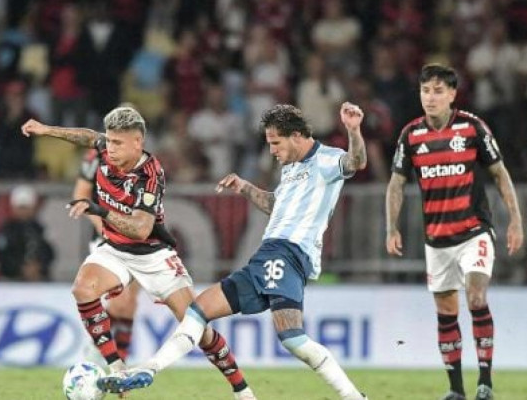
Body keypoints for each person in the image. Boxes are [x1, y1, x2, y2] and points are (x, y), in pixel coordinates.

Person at [98, 103, 369, 400]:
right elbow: (276, 206)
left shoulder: (327, 159)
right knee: (199, 309)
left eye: (276, 143)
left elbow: (355, 162)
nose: (272, 151)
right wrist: (244, 187)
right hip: (267, 254)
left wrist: (353, 131)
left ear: (296, 136)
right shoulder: (291, 169)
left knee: (292, 337)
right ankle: (149, 370)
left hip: (288, 253)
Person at [21, 106, 257, 400]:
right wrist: (47, 130)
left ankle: (241, 389)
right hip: (114, 250)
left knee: (198, 326)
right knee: (83, 288)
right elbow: (87, 137)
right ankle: (117, 367)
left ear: (138, 142)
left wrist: (98, 209)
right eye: (109, 141)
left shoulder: (151, 174)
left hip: (154, 256)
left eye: (118, 143)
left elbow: (141, 229)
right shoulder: (105, 149)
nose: (111, 148)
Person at [385, 64, 523, 400]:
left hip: (474, 230)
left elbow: (500, 174)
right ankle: (456, 390)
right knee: (447, 313)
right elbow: (395, 184)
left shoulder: (472, 127)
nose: (429, 98)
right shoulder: (411, 135)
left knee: (475, 298)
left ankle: (485, 382)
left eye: (436, 91)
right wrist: (392, 227)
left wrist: (516, 220)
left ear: (451, 94)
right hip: (437, 240)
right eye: (425, 91)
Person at [73, 148, 140, 362]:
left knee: (129, 304)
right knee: (121, 301)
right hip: (107, 239)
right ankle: (100, 351)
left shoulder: (143, 160)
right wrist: (103, 225)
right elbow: (80, 195)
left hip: (137, 239)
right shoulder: (95, 157)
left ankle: (121, 361)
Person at [0, 185, 56, 281]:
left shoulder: (41, 229)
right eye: (21, 207)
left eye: (26, 207)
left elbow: (50, 253)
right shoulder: (6, 230)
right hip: (11, 280)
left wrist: (38, 266)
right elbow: (2, 256)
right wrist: (21, 268)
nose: (23, 211)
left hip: (38, 279)